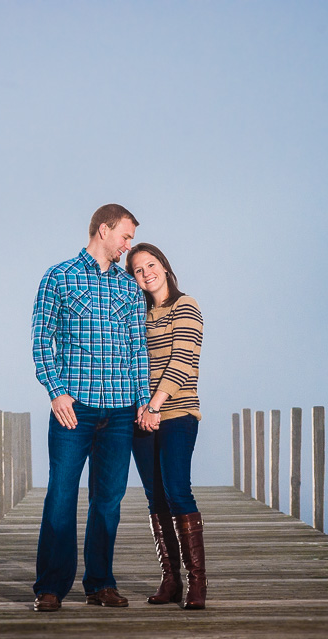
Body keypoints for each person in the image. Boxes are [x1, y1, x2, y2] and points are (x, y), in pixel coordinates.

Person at [30, 204, 151, 612]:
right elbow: (40, 339)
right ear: (104, 229)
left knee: (108, 501)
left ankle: (100, 584)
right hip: (73, 408)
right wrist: (56, 391)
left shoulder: (129, 288)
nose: (128, 245)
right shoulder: (58, 277)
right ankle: (50, 587)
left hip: (119, 411)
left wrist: (141, 400)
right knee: (61, 496)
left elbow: (138, 350)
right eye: (126, 236)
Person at [127, 243, 207, 610]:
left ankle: (197, 583)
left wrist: (156, 405)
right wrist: (142, 409)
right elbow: (131, 365)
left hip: (176, 415)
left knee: (177, 490)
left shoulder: (186, 306)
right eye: (138, 270)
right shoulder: (137, 315)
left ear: (164, 266)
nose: (146, 273)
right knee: (154, 497)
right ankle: (170, 579)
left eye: (151, 264)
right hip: (141, 419)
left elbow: (183, 361)